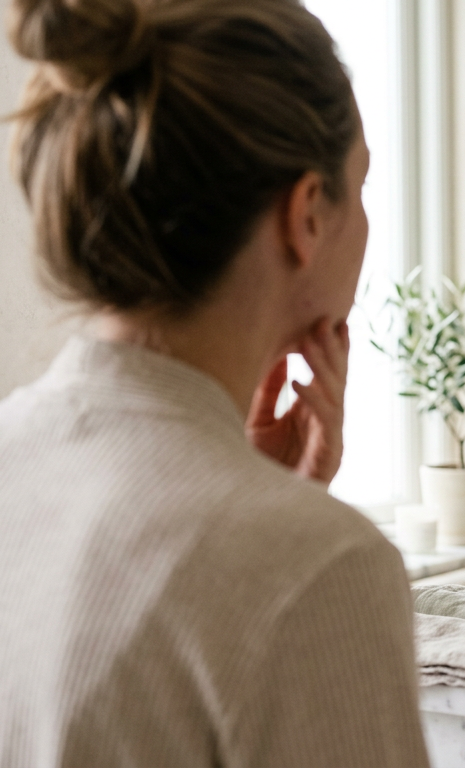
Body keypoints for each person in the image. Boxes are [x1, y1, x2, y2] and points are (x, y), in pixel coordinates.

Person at [0, 0, 428, 765]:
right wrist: (284, 529)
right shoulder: (324, 568)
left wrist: (267, 496)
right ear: (305, 214)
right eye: (360, 185)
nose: (366, 222)